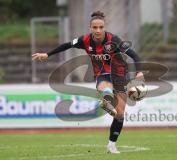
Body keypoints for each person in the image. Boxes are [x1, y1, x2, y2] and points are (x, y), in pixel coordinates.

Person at [32, 11, 144, 154]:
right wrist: (47, 54)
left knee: (120, 115)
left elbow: (134, 55)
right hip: (102, 75)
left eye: (101, 27)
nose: (98, 30)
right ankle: (106, 99)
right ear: (90, 28)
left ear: (104, 27)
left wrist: (139, 71)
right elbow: (67, 45)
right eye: (95, 27)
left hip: (119, 75)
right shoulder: (84, 40)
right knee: (106, 89)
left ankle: (111, 145)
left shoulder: (114, 40)